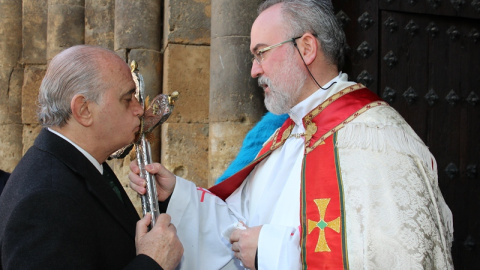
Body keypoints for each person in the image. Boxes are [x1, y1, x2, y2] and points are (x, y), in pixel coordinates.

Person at [129, 0, 453, 269]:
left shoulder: (375, 138)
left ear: (307, 47)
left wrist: (271, 253)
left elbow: (395, 258)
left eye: (261, 53)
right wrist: (178, 194)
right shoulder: (288, 135)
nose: (254, 70)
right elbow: (237, 226)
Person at [0, 45, 183, 270]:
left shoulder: (79, 164)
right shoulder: (46, 200)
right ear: (84, 110)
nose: (139, 109)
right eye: (128, 99)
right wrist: (152, 263)